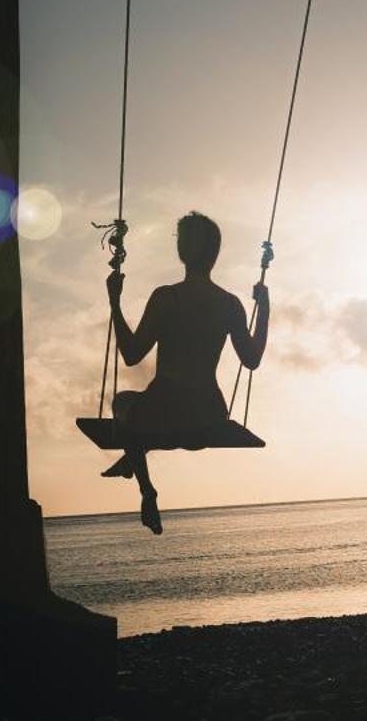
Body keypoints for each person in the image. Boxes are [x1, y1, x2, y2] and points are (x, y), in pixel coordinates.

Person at [103, 211, 270, 533]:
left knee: (124, 404)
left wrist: (114, 302)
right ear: (214, 253)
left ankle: (146, 488)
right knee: (159, 427)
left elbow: (131, 354)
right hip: (209, 414)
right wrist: (264, 309)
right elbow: (252, 360)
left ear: (183, 250)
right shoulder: (230, 304)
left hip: (163, 409)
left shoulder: (167, 297)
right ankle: (131, 457)